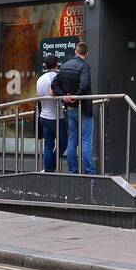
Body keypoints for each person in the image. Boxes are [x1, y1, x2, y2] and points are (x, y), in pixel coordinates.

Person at [52, 42, 94, 174]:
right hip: (84, 108)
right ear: (87, 54)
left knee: (72, 140)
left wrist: (64, 96)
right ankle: (89, 172)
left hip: (70, 108)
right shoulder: (84, 66)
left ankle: (73, 170)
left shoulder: (64, 66)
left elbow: (54, 85)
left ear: (76, 51)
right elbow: (85, 84)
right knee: (86, 141)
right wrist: (76, 96)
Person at [35, 54, 63, 173]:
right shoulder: (56, 77)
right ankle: (50, 165)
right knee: (64, 142)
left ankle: (48, 169)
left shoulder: (40, 79)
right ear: (56, 63)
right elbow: (58, 93)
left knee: (48, 144)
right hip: (56, 116)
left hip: (44, 115)